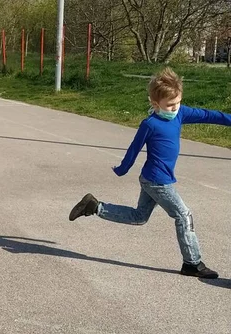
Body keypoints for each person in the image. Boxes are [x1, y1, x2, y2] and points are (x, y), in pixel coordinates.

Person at [69, 67, 231, 279]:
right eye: (170, 105)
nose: (174, 108)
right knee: (184, 215)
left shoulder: (181, 114)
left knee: (139, 217)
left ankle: (94, 207)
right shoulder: (150, 124)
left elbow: (209, 115)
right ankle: (192, 263)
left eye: (178, 102)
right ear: (156, 104)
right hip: (157, 182)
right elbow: (134, 149)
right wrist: (122, 169)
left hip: (152, 180)